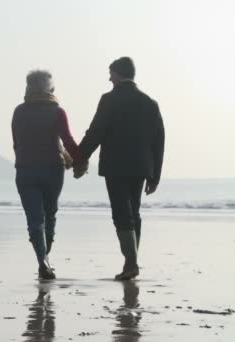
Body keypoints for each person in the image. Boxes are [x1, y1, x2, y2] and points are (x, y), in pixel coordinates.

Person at [75, 57, 165, 280]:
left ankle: (131, 264)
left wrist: (78, 157)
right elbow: (159, 141)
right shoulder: (150, 103)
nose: (109, 78)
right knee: (134, 212)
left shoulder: (109, 99)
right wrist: (155, 175)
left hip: (115, 166)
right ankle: (131, 263)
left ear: (118, 74)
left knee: (121, 214)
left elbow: (95, 132)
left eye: (111, 73)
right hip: (141, 167)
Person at [12, 70, 86, 280]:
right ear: (49, 88)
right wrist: (80, 160)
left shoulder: (19, 111)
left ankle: (42, 260)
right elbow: (68, 141)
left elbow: (16, 143)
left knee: (34, 218)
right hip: (52, 169)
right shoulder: (57, 111)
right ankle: (46, 257)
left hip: (25, 169)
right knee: (50, 213)